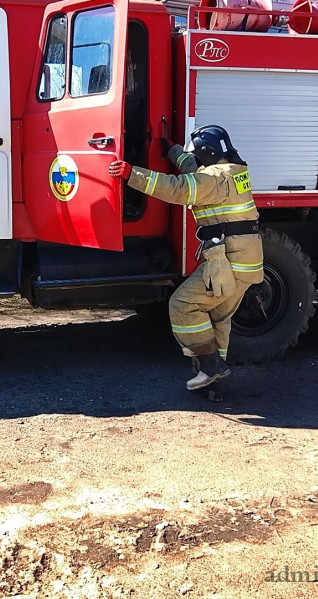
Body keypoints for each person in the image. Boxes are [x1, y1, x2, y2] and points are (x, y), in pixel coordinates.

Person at [108, 125, 263, 396]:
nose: (198, 161)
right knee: (217, 318)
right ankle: (212, 381)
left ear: (208, 153)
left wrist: (131, 174)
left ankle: (210, 366)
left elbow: (177, 188)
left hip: (230, 262)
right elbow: (195, 168)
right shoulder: (232, 171)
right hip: (246, 259)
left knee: (183, 305)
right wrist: (173, 151)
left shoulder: (214, 178)